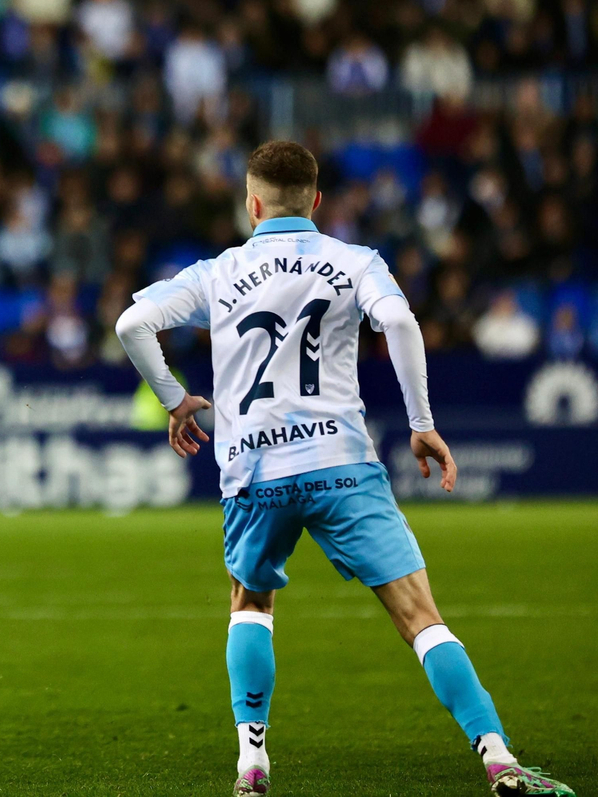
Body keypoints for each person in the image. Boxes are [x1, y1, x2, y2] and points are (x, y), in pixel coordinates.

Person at [113, 140, 573, 797]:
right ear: (318, 201)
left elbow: (133, 323)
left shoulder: (217, 272)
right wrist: (421, 424)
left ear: (251, 203)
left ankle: (252, 762)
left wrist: (175, 398)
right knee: (421, 616)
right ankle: (499, 758)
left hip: (255, 471)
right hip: (342, 464)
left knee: (250, 601)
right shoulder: (353, 260)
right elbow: (401, 322)